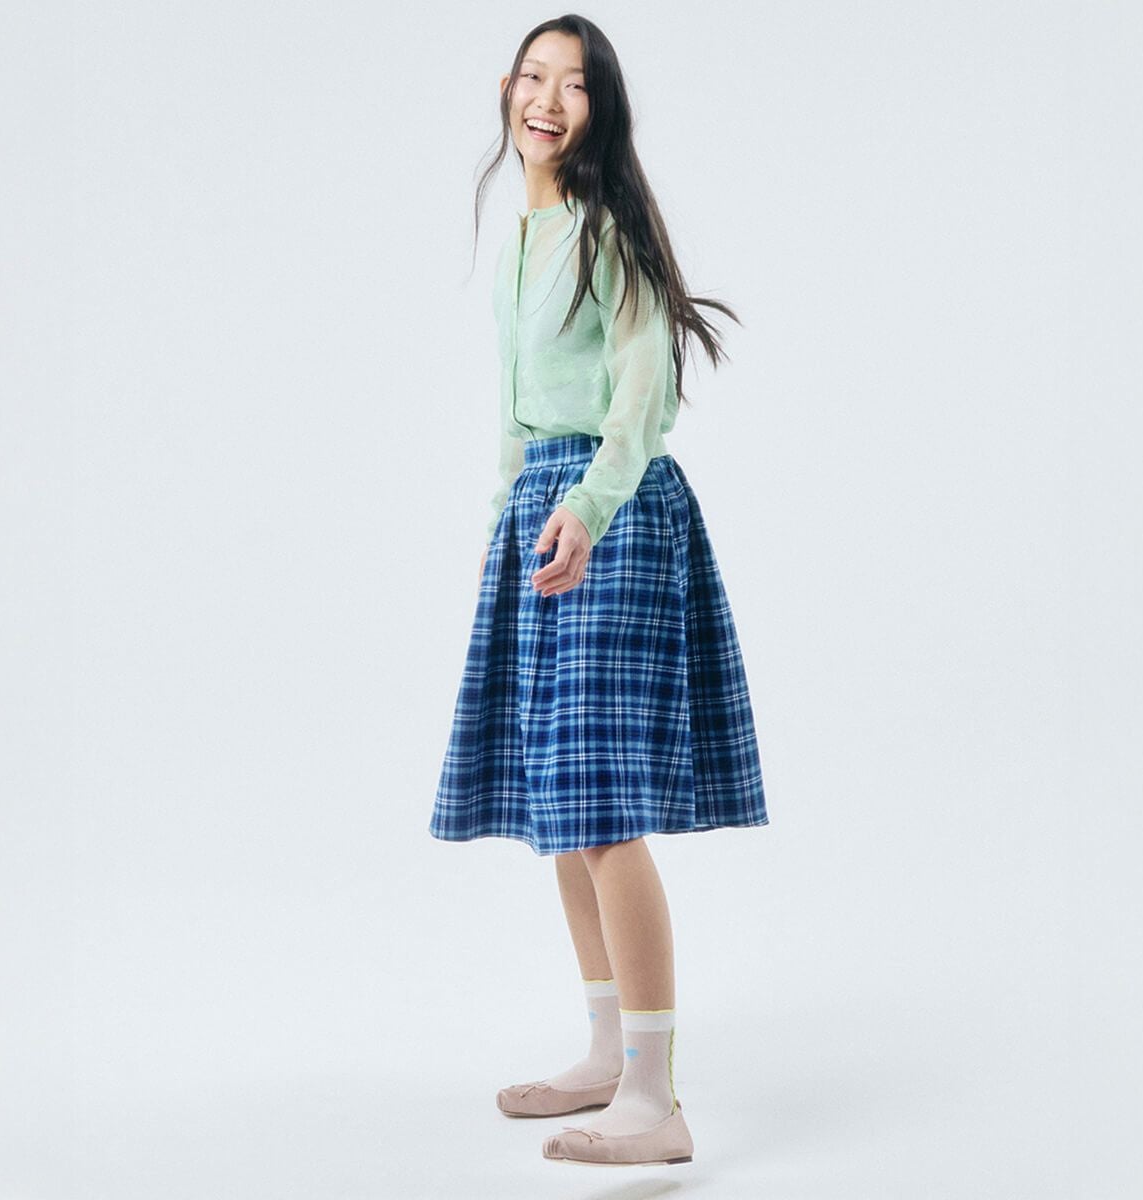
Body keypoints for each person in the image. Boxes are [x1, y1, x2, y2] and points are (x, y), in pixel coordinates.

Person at [428, 14, 770, 1168]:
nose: (547, 99)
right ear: (507, 89)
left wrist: (586, 505)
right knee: (567, 816)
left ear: (600, 108)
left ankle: (655, 1099)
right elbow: (516, 416)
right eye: (533, 76)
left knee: (606, 810)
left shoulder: (607, 230)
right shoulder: (523, 235)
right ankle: (608, 1053)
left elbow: (642, 396)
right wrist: (509, 520)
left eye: (574, 85)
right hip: (542, 510)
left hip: (611, 513)